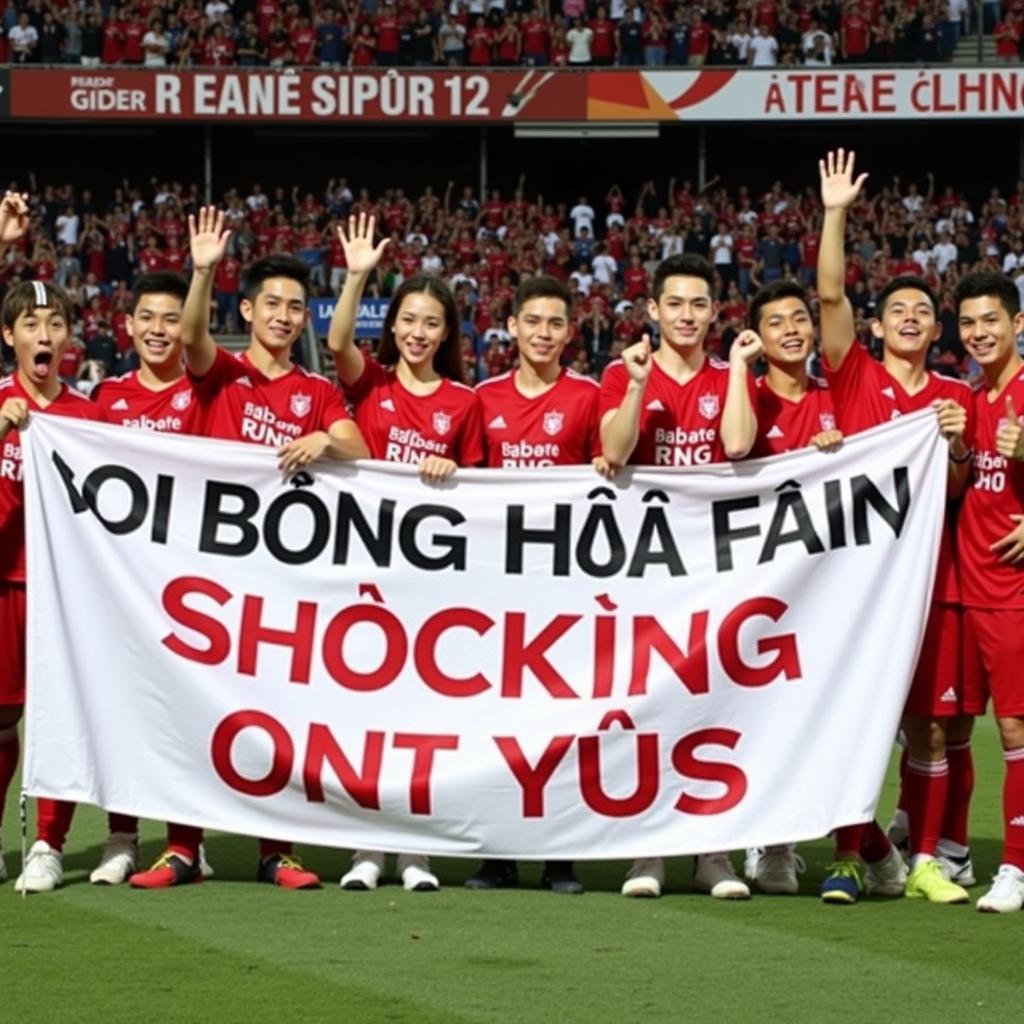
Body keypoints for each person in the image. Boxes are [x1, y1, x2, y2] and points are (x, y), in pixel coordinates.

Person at [178, 206, 369, 891]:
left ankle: (277, 850)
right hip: (211, 567)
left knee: (278, 713)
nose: (285, 316)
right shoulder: (222, 373)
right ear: (250, 310)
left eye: (296, 307)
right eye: (273, 305)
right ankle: (180, 846)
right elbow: (192, 334)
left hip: (281, 577)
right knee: (193, 701)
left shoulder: (316, 391)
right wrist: (202, 269)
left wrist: (326, 439)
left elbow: (361, 446)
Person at [818, 149, 973, 905]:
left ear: (934, 327)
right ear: (876, 325)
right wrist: (836, 212)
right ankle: (852, 854)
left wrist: (954, 442)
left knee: (930, 730)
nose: (910, 320)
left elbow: (959, 487)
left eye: (923, 312)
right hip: (855, 580)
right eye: (897, 311)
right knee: (853, 722)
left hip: (931, 580)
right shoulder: (855, 375)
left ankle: (922, 862)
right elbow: (828, 293)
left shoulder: (954, 395)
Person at [327, 212, 484, 892]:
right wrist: (359, 276)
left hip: (434, 581)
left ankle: (415, 847)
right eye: (408, 321)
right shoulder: (373, 387)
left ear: (447, 333)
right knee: (367, 715)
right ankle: (368, 844)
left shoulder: (466, 402)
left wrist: (459, 477)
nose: (418, 334)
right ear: (390, 327)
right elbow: (336, 345)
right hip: (366, 572)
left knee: (423, 719)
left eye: (431, 324)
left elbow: (487, 497)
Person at [598, 252, 762, 900]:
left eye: (699, 305)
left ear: (715, 312)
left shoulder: (730, 375)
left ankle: (711, 853)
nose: (687, 315)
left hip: (716, 570)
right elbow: (614, 450)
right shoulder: (622, 371)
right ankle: (648, 852)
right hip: (644, 569)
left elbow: (741, 446)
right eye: (676, 304)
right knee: (647, 709)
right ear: (653, 311)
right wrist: (639, 385)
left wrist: (743, 371)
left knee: (713, 710)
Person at [467, 274, 603, 895]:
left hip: (567, 588)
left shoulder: (590, 396)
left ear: (570, 332)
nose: (543, 333)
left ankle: (559, 857)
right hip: (498, 590)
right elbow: (465, 493)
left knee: (561, 726)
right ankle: (495, 854)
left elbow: (617, 473)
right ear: (513, 328)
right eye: (533, 322)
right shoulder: (483, 397)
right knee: (495, 726)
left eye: (555, 323)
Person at [1, 259, 108, 893]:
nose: (45, 334)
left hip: (64, 593)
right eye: (30, 323)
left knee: (59, 718)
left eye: (56, 323)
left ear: (71, 337)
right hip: (3, 584)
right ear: (8, 335)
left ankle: (49, 844)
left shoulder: (90, 418)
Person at [739, 279, 841, 894]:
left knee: (826, 717)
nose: (791, 330)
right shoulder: (744, 395)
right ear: (758, 333)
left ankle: (867, 839)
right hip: (757, 585)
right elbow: (732, 453)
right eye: (775, 322)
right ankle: (768, 842)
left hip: (832, 584)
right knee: (759, 715)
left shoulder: (839, 397)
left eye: (799, 318)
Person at [953, 271, 1024, 913]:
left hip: (1013, 589)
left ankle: (1018, 865)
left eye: (991, 321)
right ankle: (946, 849)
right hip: (967, 584)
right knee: (952, 723)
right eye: (970, 323)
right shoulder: (974, 399)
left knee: (1014, 725)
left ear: (1018, 323)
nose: (979, 333)